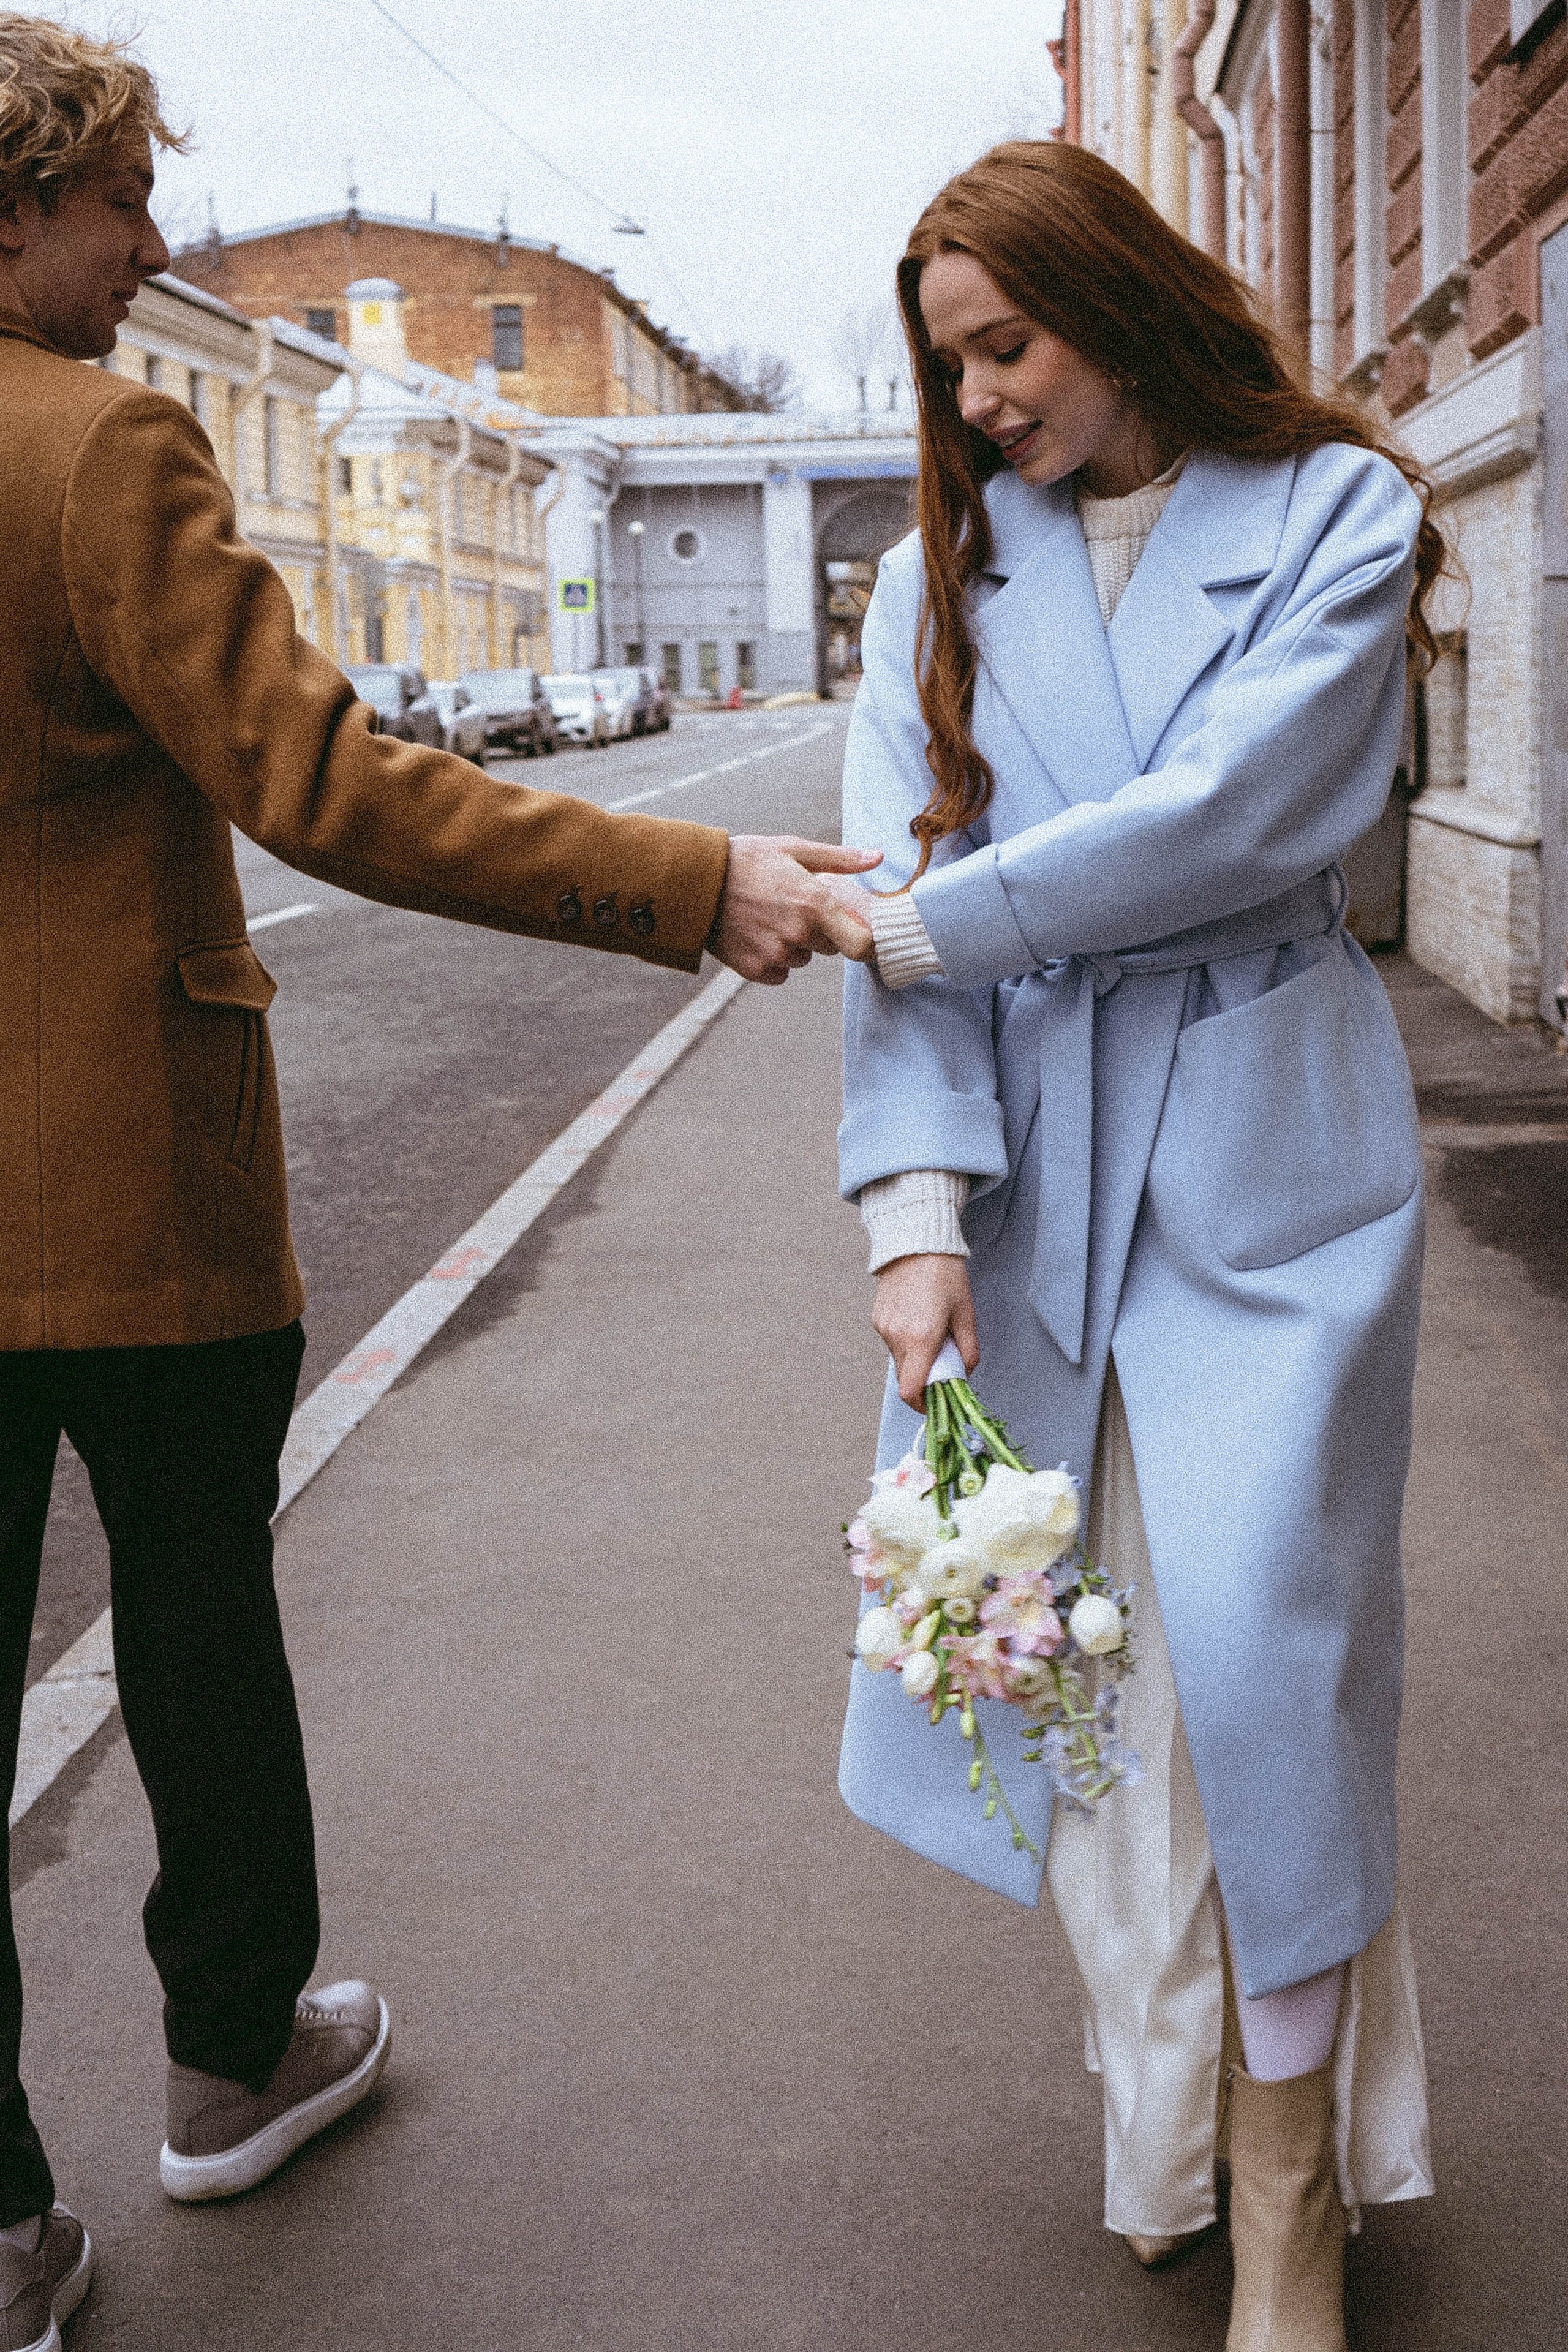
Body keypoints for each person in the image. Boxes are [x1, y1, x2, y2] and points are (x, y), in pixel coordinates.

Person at [0, 17, 876, 2344]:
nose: (151, 248)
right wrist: (691, 884)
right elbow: (329, 784)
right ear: (15, 212)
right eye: (116, 207)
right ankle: (228, 2066)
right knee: (192, 1634)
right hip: (133, 1194)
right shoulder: (98, 445)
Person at [829, 141, 1439, 2352]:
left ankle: (1292, 2194)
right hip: (1027, 1176)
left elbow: (1246, 819)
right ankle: (1162, 2111)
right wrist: (911, 1218)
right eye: (948, 360)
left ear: (1122, 294)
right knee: (1069, 1701)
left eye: (1010, 340)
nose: (979, 394)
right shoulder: (934, 580)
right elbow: (907, 940)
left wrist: (933, 915)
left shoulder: (1339, 509)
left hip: (1275, 1160)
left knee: (1275, 1683)